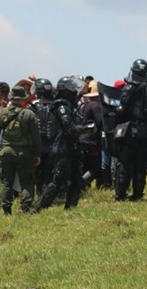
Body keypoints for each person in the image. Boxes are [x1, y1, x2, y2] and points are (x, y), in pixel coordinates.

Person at [35, 76, 92, 211]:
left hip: (71, 148)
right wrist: (88, 129)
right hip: (62, 149)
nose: (75, 92)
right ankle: (38, 208)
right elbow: (70, 129)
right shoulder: (62, 107)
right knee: (57, 181)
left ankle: (70, 208)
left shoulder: (69, 106)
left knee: (77, 181)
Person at [112, 60, 147, 201]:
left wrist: (114, 116)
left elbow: (122, 109)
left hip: (130, 130)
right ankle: (138, 194)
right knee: (140, 164)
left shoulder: (129, 88)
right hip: (146, 131)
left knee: (124, 163)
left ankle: (120, 195)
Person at [0, 86, 41, 215]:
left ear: (11, 99)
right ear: (23, 99)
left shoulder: (2, 113)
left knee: (7, 182)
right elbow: (36, 137)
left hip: (6, 151)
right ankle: (26, 207)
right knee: (26, 181)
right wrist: (37, 154)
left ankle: (6, 210)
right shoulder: (29, 114)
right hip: (24, 152)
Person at [30, 79, 55, 194]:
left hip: (36, 143)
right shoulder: (57, 104)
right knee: (49, 171)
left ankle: (39, 193)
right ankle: (45, 193)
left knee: (36, 171)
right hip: (53, 142)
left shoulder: (33, 106)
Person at [79, 81, 104, 189]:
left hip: (83, 140)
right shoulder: (95, 105)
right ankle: (81, 183)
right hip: (92, 141)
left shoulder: (84, 105)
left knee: (85, 166)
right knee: (96, 168)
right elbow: (100, 122)